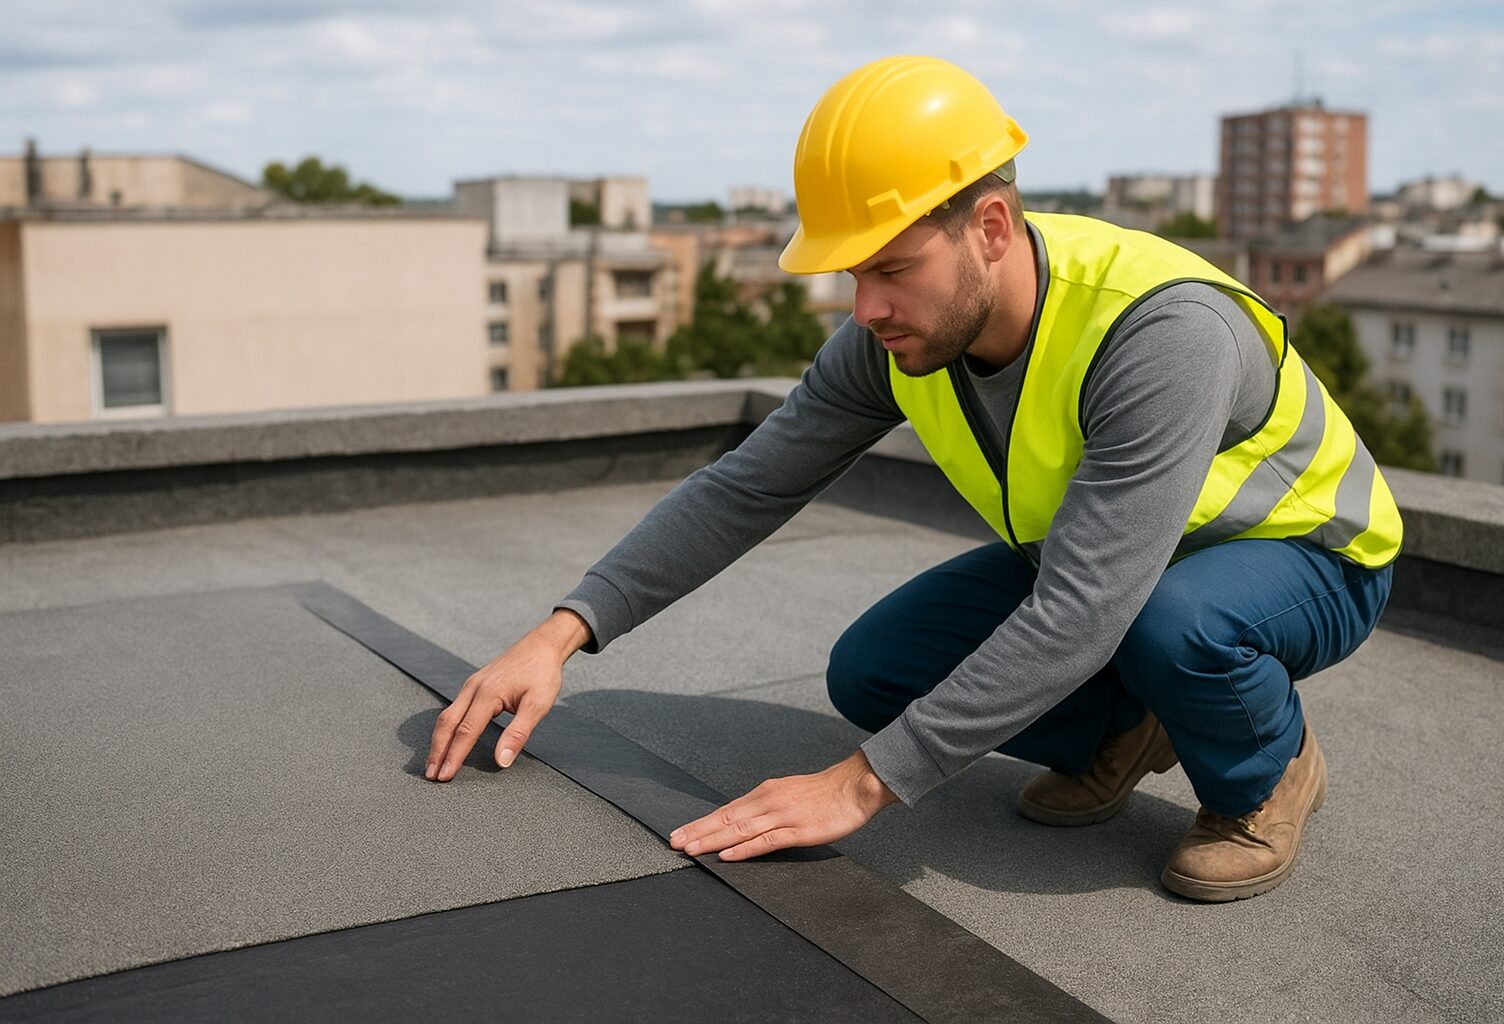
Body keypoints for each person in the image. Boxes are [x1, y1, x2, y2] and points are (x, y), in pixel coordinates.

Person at [426, 55, 1399, 902]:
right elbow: (747, 485)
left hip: (1306, 554)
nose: (866, 308)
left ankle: (1267, 773)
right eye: (852, 274)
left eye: (890, 268)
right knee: (876, 668)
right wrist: (563, 632)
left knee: (1172, 624)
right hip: (1110, 567)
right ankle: (1125, 726)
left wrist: (858, 785)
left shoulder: (1160, 330)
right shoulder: (894, 337)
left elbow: (1087, 606)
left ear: (991, 226)